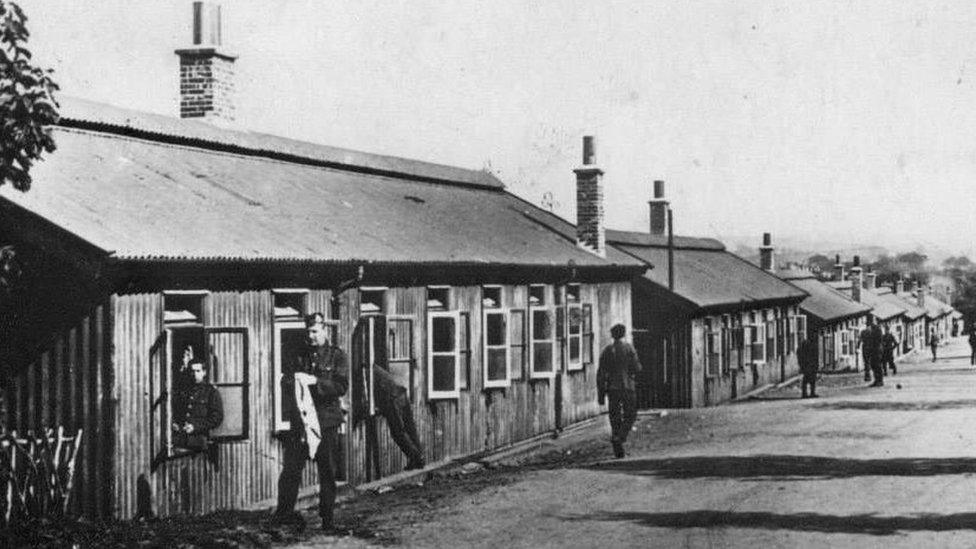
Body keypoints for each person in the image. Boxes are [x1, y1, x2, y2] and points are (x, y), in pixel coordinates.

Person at [272, 312, 349, 532]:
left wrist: (315, 381)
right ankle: (284, 515)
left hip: (326, 422)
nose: (311, 336)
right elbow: (285, 381)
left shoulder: (337, 356)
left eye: (315, 331)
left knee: (327, 472)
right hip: (302, 423)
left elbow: (341, 386)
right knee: (291, 470)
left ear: (325, 330)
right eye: (308, 331)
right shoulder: (299, 356)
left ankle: (327, 520)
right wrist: (294, 380)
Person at [597, 324, 642, 459]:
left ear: (612, 335)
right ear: (623, 334)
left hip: (612, 388)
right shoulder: (629, 348)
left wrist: (601, 393)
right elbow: (636, 367)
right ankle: (620, 437)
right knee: (631, 415)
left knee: (615, 417)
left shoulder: (607, 351)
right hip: (628, 387)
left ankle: (618, 445)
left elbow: (601, 373)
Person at [371, 366, 425, 470]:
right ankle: (418, 458)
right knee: (410, 428)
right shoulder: (376, 368)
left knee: (398, 432)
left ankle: (417, 457)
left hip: (392, 398)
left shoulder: (367, 370)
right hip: (400, 393)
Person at [172, 360, 223, 452]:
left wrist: (195, 427)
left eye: (198, 371)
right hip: (180, 441)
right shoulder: (183, 391)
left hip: (198, 443)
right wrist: (175, 424)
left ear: (204, 372)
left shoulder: (211, 392)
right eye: (192, 371)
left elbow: (217, 418)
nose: (195, 374)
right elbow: (176, 411)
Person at [859, 318, 883, 386]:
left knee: (877, 365)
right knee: (873, 365)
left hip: (876, 350)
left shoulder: (877, 329)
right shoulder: (871, 329)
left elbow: (879, 340)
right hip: (873, 350)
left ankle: (880, 381)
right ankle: (877, 380)